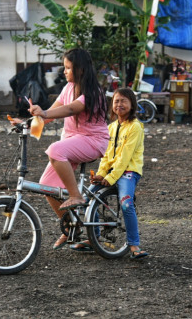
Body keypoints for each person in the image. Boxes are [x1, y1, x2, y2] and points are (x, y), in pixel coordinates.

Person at [27, 48, 110, 249]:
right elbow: (52, 113)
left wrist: (45, 113)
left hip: (93, 141)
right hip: (73, 141)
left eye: (68, 68)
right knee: (47, 185)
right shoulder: (68, 88)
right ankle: (72, 226)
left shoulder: (93, 92)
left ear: (80, 69)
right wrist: (26, 122)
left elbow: (72, 109)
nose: (64, 71)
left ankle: (76, 195)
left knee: (55, 150)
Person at [72, 87, 148, 259]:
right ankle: (94, 238)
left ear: (132, 104)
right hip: (111, 172)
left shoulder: (135, 127)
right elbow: (107, 155)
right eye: (116, 101)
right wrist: (101, 174)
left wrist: (111, 177)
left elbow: (125, 157)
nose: (119, 104)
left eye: (123, 101)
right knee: (86, 199)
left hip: (129, 171)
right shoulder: (111, 127)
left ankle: (134, 245)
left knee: (126, 204)